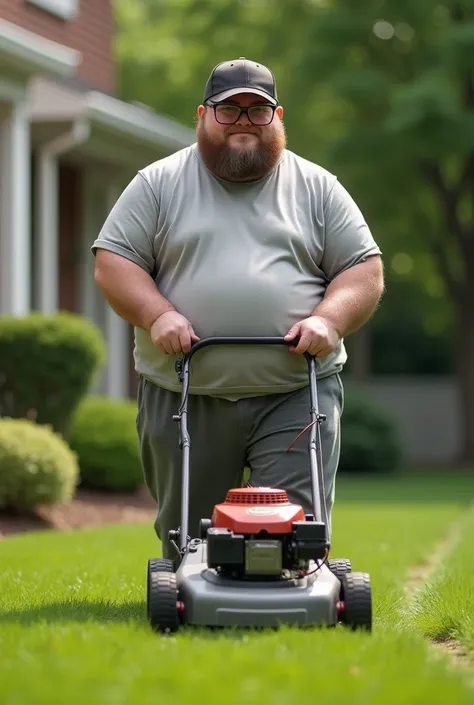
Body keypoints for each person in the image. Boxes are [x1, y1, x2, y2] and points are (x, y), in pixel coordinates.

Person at [92, 57, 384, 561]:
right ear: (202, 114)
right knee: (188, 541)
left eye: (258, 111)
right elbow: (114, 263)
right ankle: (195, 606)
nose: (244, 122)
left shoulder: (318, 188)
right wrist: (159, 314)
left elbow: (364, 272)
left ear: (278, 116)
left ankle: (289, 607)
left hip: (294, 391)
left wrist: (328, 320)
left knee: (295, 535)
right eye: (230, 111)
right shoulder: (157, 183)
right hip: (184, 388)